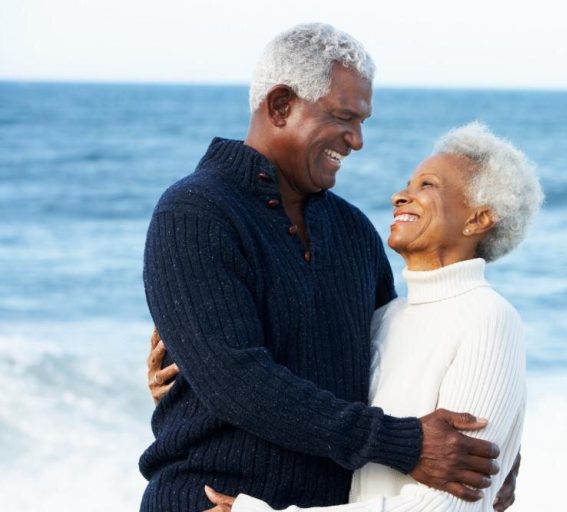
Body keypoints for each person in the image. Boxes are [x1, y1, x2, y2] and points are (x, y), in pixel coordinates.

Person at [140, 23, 509, 512]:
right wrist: (406, 444)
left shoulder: (353, 232)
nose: (356, 141)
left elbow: (395, 365)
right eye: (342, 118)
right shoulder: (195, 214)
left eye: (362, 122)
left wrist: (491, 450)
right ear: (280, 106)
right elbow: (237, 380)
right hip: (211, 500)